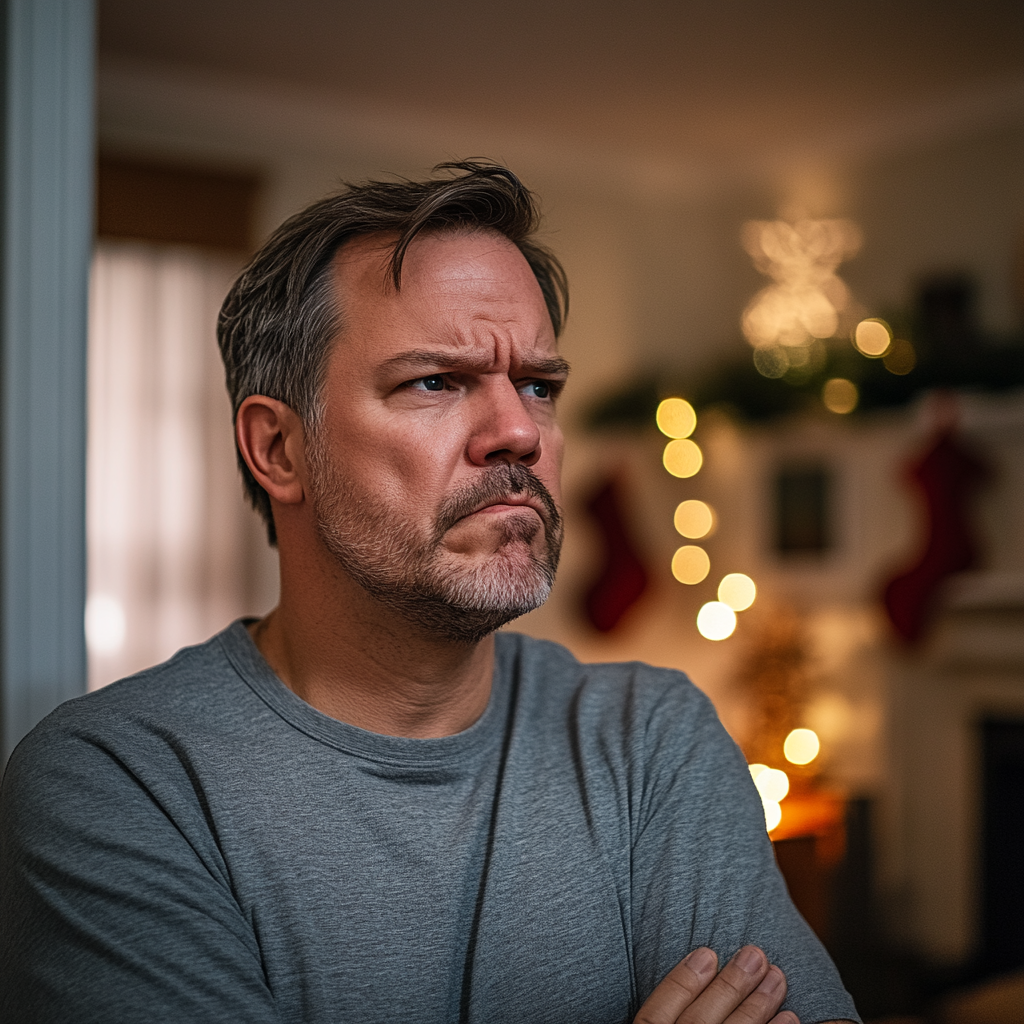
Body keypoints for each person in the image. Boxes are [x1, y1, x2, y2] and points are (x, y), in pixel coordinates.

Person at [0, 162, 859, 1024]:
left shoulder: (648, 739)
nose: (520, 431)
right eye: (435, 382)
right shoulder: (120, 784)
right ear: (279, 449)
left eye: (538, 385)